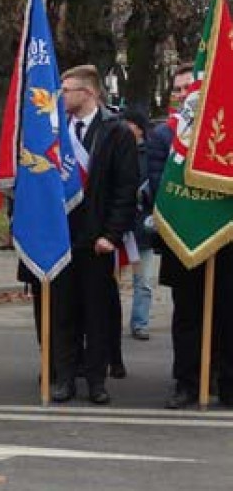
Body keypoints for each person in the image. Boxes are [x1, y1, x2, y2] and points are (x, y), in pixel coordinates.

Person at [49, 65, 138, 405]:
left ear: (88, 93)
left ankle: (97, 381)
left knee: (97, 314)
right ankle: (65, 378)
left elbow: (125, 188)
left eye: (67, 90)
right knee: (64, 313)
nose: (62, 96)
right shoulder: (58, 134)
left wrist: (112, 235)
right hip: (62, 240)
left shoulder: (116, 133)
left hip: (97, 241)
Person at [147, 64, 233, 409]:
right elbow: (156, 184)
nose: (186, 96)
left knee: (228, 315)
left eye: (190, 88)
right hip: (181, 237)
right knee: (187, 316)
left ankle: (228, 384)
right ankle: (186, 383)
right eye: (180, 90)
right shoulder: (164, 136)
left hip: (226, 240)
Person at [121, 107, 154, 342]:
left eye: (128, 123)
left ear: (139, 128)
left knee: (143, 281)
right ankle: (108, 322)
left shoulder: (151, 154)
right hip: (117, 226)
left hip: (141, 227)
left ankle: (140, 323)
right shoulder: (117, 149)